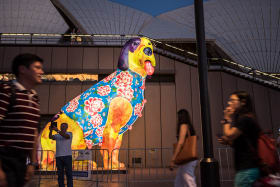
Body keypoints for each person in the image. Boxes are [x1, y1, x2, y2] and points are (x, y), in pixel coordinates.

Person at [0, 53, 44, 187]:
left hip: (21, 161)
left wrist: (32, 163)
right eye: (37, 68)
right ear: (22, 70)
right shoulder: (6, 91)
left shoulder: (34, 98)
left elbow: (33, 133)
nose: (41, 72)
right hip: (5, 158)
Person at [218, 91, 261, 187]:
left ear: (243, 102)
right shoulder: (244, 118)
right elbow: (241, 144)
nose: (229, 103)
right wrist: (228, 142)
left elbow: (229, 134)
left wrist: (226, 118)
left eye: (233, 100)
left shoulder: (245, 119)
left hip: (247, 168)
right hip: (248, 168)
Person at [170, 109, 198, 187]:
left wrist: (173, 158)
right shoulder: (189, 126)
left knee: (189, 180)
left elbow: (181, 143)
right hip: (188, 159)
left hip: (187, 160)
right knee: (179, 181)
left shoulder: (183, 126)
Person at [49, 122, 73, 187]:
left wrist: (57, 130)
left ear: (67, 127)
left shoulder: (69, 133)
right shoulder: (57, 135)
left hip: (67, 156)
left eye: (64, 126)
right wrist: (51, 130)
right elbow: (50, 137)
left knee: (69, 173)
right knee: (60, 174)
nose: (63, 127)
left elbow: (66, 136)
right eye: (62, 126)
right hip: (58, 156)